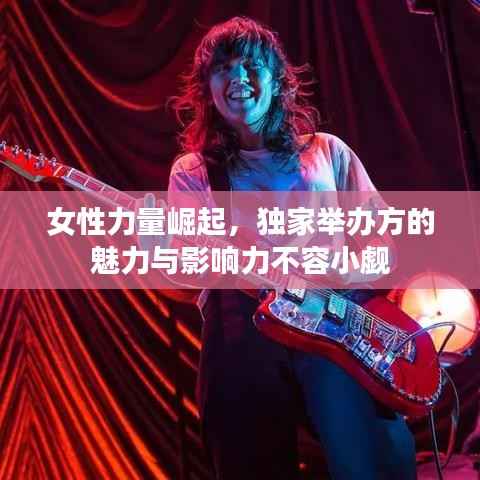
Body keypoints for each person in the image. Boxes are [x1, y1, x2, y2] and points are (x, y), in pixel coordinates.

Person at [154, 16, 417, 480]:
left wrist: (343, 274)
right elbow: (182, 279)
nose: (238, 78)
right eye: (223, 69)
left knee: (367, 463)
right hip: (242, 335)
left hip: (336, 328)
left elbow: (384, 248)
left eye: (252, 66)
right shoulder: (193, 172)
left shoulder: (327, 152)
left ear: (277, 80)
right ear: (208, 89)